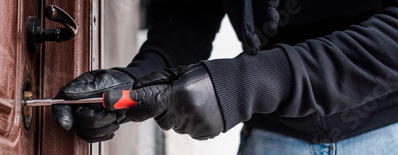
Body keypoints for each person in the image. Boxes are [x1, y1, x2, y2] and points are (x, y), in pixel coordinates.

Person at [53, 0, 398, 154]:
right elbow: (187, 16)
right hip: (272, 139)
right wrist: (138, 76)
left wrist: (249, 83)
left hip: (386, 131)